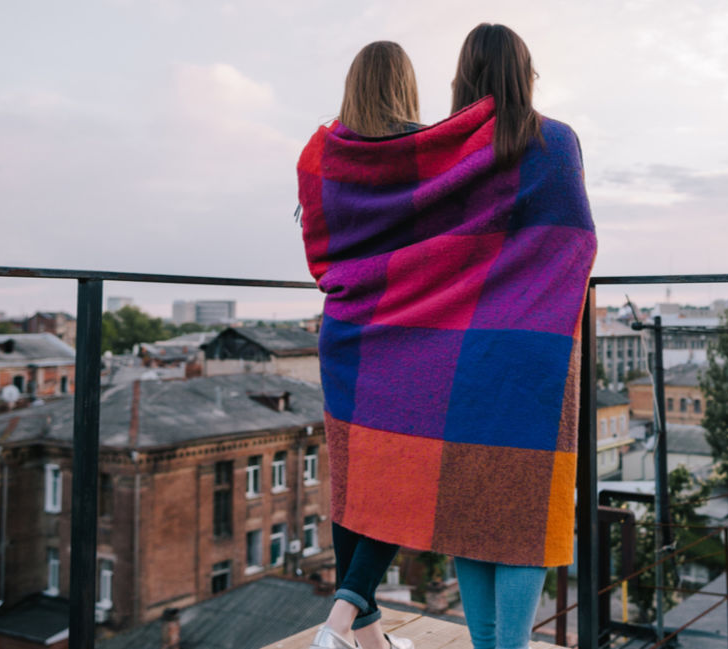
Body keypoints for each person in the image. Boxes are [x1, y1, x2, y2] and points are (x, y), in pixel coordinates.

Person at [298, 24, 594, 649]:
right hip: (530, 351)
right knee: (521, 513)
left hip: (450, 348)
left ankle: (429, 636)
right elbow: (575, 243)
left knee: (467, 506)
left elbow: (430, 246)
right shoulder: (556, 141)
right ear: (527, 73)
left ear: (462, 78)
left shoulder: (445, 150)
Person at [303, 40, 421, 649]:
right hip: (412, 334)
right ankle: (341, 622)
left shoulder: (322, 154)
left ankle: (363, 641)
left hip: (345, 329)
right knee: (403, 480)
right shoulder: (429, 149)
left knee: (353, 482)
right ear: (406, 84)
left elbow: (317, 249)